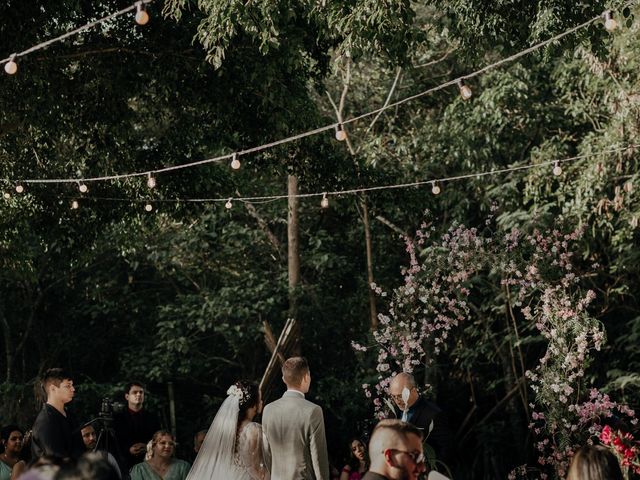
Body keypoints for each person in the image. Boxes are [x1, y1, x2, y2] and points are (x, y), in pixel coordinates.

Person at [185, 381, 269, 480]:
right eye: (260, 399)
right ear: (254, 404)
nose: (262, 402)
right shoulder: (253, 429)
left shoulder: (227, 428)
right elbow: (255, 466)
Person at [262, 356, 329, 480]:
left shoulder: (268, 410)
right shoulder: (313, 410)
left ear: (283, 379)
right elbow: (318, 457)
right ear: (306, 377)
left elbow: (267, 453)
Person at [387, 373, 452, 464]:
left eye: (400, 396)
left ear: (414, 391)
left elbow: (446, 450)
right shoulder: (393, 412)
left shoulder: (433, 414)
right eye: (393, 396)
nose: (397, 401)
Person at [31, 368, 84, 461]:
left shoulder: (71, 416)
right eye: (68, 386)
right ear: (53, 389)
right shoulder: (45, 421)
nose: (73, 389)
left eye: (72, 385)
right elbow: (56, 459)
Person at [113, 382, 161, 468]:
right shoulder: (117, 418)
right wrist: (128, 449)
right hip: (123, 463)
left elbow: (158, 438)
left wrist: (147, 447)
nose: (138, 394)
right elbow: (113, 442)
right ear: (127, 396)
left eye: (141, 392)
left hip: (149, 462)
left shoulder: (153, 417)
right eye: (135, 392)